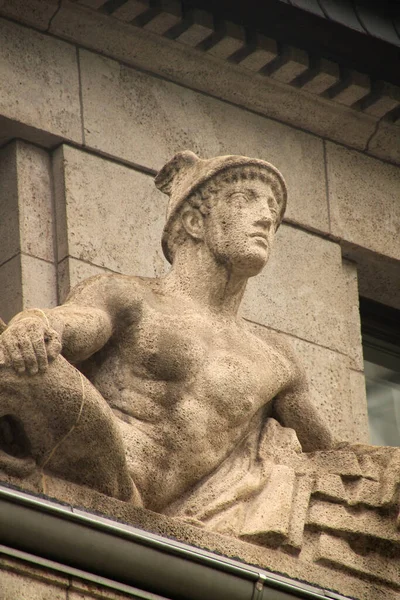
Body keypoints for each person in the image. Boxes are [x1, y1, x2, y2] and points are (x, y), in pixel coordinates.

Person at [0, 151, 334, 516]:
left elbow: (329, 457)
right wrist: (37, 323)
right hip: (94, 455)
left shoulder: (277, 360)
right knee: (21, 366)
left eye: (272, 207)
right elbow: (78, 323)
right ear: (193, 221)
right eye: (245, 200)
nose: (266, 217)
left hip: (152, 510)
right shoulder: (129, 296)